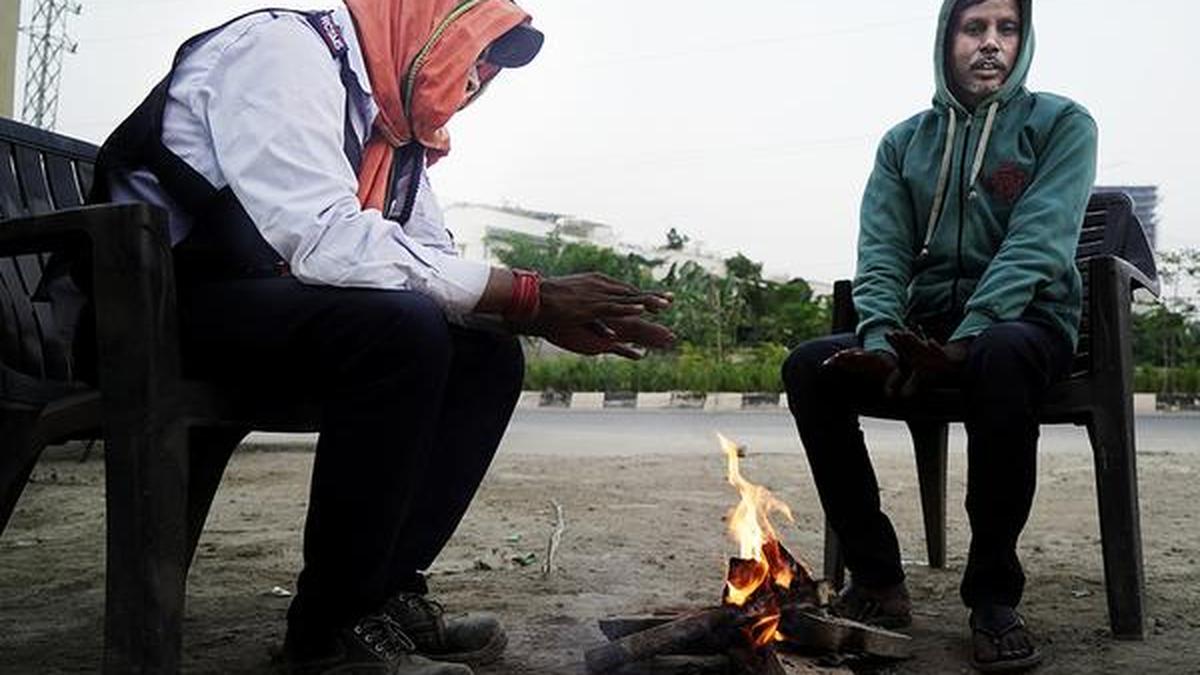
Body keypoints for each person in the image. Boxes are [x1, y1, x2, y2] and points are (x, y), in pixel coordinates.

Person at [87, 1, 674, 673]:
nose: (479, 78)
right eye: (474, 50)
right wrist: (529, 294)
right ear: (421, 21)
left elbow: (425, 259)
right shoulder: (283, 52)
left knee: (484, 352)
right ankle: (327, 634)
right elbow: (325, 238)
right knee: (401, 329)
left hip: (254, 315)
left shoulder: (391, 132)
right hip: (147, 312)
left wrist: (530, 311)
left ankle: (380, 594)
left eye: (492, 67)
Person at [781, 0, 1097, 671]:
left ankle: (991, 597)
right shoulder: (904, 143)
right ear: (946, 40)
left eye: (1006, 29)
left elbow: (1039, 243)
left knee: (1003, 354)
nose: (991, 45)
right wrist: (878, 338)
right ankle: (877, 579)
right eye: (974, 28)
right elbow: (882, 253)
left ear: (1024, 40)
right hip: (924, 333)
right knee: (810, 366)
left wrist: (974, 336)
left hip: (1026, 327)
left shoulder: (1062, 124)